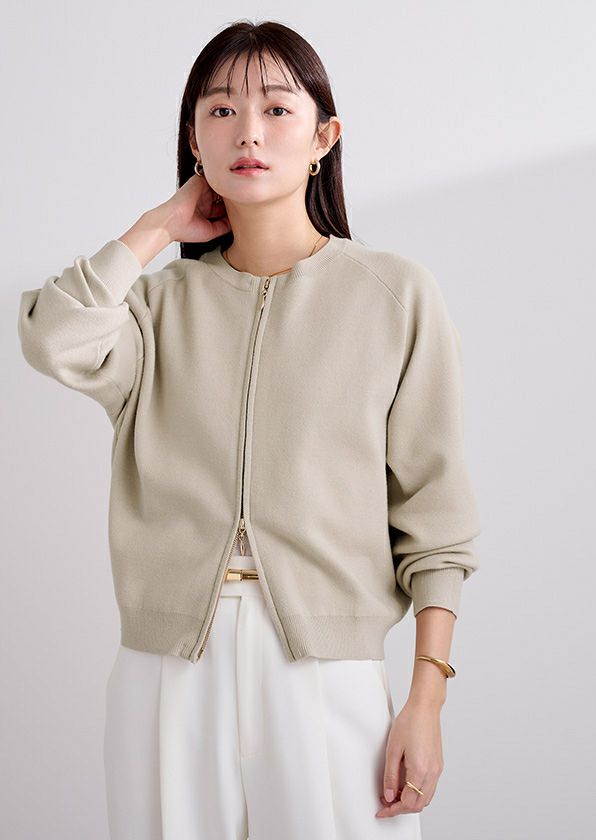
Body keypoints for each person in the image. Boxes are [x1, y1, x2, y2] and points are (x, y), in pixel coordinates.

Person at [17, 19, 481, 840]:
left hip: (324, 671)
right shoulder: (152, 310)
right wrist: (156, 229)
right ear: (194, 139)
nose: (250, 133)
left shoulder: (393, 296)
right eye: (222, 111)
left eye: (276, 108)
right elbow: (52, 337)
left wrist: (425, 699)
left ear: (323, 137)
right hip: (166, 672)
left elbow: (436, 525)